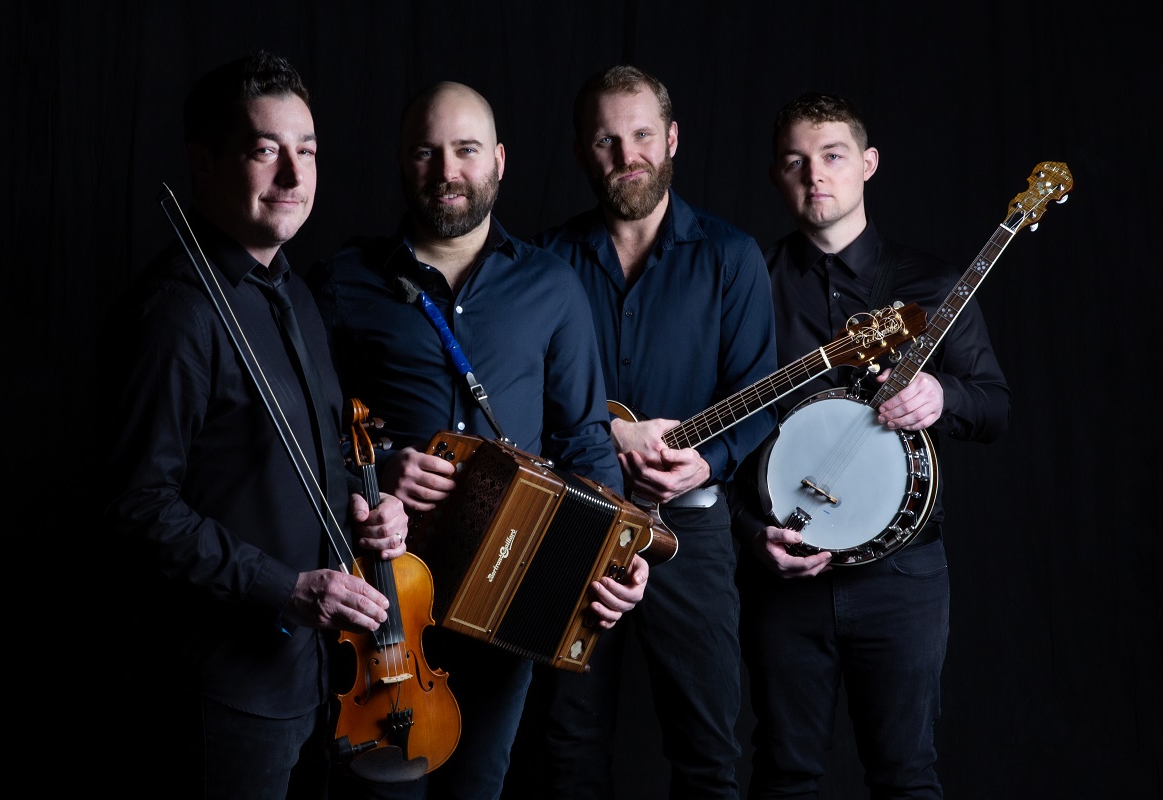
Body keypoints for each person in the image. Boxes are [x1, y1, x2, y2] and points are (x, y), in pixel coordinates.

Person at [306, 80, 650, 800]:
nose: (446, 170)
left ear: (497, 159)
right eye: (426, 152)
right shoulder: (343, 280)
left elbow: (585, 439)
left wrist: (617, 552)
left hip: (509, 594)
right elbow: (306, 441)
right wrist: (377, 469)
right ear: (403, 163)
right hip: (384, 603)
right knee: (383, 792)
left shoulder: (552, 287)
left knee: (479, 788)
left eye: (465, 150)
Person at [100, 50, 408, 800]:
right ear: (205, 163)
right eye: (265, 151)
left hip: (312, 678)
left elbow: (312, 453)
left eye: (306, 152)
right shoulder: (178, 312)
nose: (294, 178)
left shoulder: (295, 294)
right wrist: (285, 589)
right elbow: (138, 505)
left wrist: (372, 506)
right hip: (224, 691)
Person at [729, 91, 1011, 798]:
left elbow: (995, 406)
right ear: (776, 176)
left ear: (868, 164)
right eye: (795, 161)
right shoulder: (748, 286)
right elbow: (728, 430)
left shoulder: (934, 286)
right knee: (783, 772)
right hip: (784, 570)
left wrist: (941, 397)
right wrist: (748, 532)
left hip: (903, 580)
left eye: (831, 156)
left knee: (906, 774)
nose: (813, 175)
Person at [524, 64, 779, 799]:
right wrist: (611, 437)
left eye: (640, 135)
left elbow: (757, 398)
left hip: (690, 538)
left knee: (706, 750)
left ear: (671, 139)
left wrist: (708, 465)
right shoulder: (543, 264)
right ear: (581, 151)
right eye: (606, 139)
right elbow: (523, 395)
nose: (625, 154)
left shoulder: (733, 258)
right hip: (572, 524)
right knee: (567, 748)